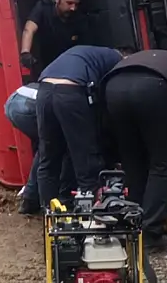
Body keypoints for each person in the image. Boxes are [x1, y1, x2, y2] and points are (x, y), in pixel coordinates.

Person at [101, 49, 167, 252]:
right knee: (162, 165)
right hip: (155, 89)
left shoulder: (134, 61)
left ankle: (132, 228)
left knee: (133, 164)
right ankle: (151, 234)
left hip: (113, 88)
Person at [35, 45, 126, 210]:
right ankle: (90, 214)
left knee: (48, 157)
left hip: (44, 90)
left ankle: (49, 215)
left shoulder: (88, 53)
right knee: (85, 156)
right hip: (71, 90)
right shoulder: (117, 59)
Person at [4, 81, 75, 215]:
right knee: (57, 151)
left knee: (46, 150)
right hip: (29, 105)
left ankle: (30, 200)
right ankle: (60, 203)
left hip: (17, 99)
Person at [19, 0, 87, 77]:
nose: (73, 8)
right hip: (44, 63)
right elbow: (29, 29)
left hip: (68, 66)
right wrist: (25, 52)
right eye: (69, 3)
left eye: (76, 4)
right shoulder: (43, 7)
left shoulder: (79, 19)